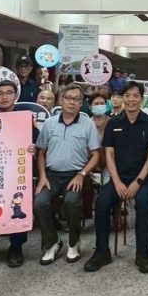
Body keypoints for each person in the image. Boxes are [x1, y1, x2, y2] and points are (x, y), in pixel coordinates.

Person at [84, 81, 148, 273]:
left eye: (135, 96)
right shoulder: (114, 123)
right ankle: (102, 251)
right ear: (122, 98)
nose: (131, 99)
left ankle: (142, 253)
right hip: (118, 178)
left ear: (142, 99)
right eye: (127, 95)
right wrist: (117, 182)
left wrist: (138, 182)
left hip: (143, 179)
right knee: (102, 202)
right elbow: (109, 154)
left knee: (143, 203)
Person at [34, 84, 101, 265]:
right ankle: (52, 243)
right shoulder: (49, 124)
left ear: (81, 103)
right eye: (68, 98)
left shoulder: (88, 124)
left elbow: (96, 154)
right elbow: (41, 152)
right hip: (51, 175)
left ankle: (73, 242)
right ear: (61, 100)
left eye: (76, 99)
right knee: (39, 203)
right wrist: (42, 176)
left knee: (72, 201)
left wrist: (82, 174)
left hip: (76, 174)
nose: (72, 102)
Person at [0, 80, 39, 268]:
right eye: (0, 93)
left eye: (8, 93)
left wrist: (34, 147)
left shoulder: (24, 119)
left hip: (17, 170)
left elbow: (37, 143)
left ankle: (16, 246)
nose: (4, 97)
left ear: (15, 96)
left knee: (18, 204)